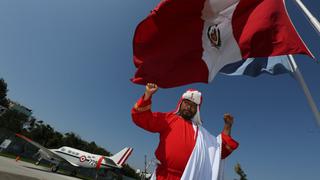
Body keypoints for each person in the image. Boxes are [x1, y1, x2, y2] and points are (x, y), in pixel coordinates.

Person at [131, 83, 239, 180]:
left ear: (197, 110)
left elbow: (220, 151)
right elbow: (142, 119)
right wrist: (148, 94)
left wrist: (227, 126)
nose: (188, 107)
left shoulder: (202, 135)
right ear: (180, 103)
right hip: (163, 176)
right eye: (186, 103)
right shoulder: (169, 119)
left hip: (190, 177)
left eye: (193, 105)